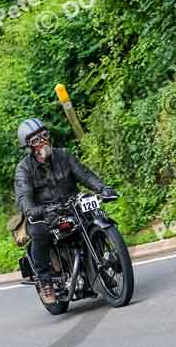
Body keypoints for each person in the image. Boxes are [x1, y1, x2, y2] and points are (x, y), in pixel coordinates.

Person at [14, 118, 116, 305]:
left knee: (94, 217)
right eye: (36, 140)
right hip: (44, 214)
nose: (43, 141)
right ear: (28, 147)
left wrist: (102, 188)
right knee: (39, 231)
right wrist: (32, 210)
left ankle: (98, 266)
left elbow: (84, 174)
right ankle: (45, 281)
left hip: (72, 205)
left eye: (44, 136)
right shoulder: (24, 169)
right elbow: (23, 197)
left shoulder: (64, 156)